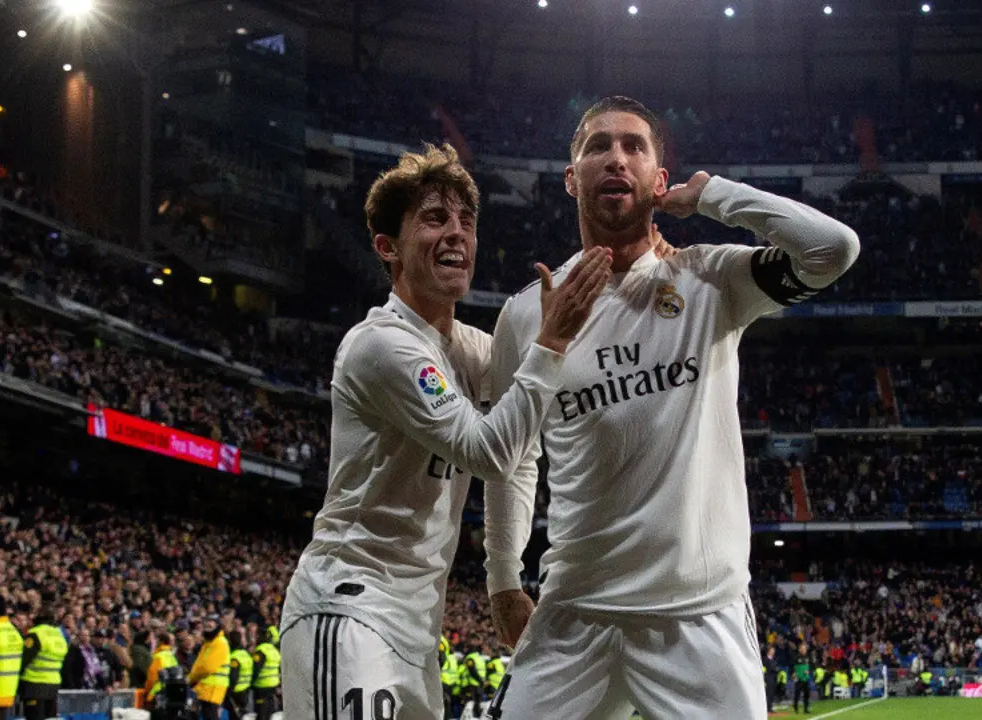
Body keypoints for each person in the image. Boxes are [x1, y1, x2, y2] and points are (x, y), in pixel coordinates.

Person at [483, 96, 859, 719]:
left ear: (660, 181)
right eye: (597, 145)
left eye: (635, 146)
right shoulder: (527, 312)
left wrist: (713, 196)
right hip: (575, 614)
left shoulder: (712, 280)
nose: (615, 158)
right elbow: (511, 456)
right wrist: (502, 580)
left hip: (698, 619)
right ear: (572, 176)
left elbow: (833, 249)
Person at [280, 143, 612, 719]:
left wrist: (506, 581)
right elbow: (490, 451)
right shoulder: (381, 344)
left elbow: (524, 440)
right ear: (388, 247)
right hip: (349, 610)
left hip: (416, 628)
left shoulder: (471, 351)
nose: (457, 233)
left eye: (466, 220)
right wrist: (551, 339)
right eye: (435, 218)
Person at [18, 609, 68, 720]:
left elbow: (23, 659)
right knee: (50, 718)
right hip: (53, 684)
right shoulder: (59, 634)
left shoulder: (35, 633)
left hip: (35, 684)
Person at [188, 616, 231, 720]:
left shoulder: (219, 642)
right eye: (206, 621)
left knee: (211, 716)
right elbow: (199, 665)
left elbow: (208, 668)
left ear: (217, 625)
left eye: (211, 622)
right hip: (206, 687)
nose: (208, 624)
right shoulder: (208, 643)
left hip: (213, 687)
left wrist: (191, 678)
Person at [249, 626, 280, 720]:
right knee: (269, 712)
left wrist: (250, 683)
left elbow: (256, 670)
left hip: (261, 686)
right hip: (273, 685)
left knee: (261, 713)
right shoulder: (274, 650)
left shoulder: (260, 650)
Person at [226, 629, 253, 719]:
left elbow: (233, 677)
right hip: (246, 690)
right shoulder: (246, 654)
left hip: (236, 693)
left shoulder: (234, 657)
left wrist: (229, 690)